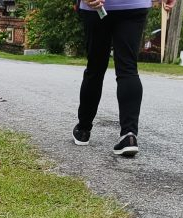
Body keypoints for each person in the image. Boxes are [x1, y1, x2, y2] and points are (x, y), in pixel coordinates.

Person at [72, 0, 177, 157]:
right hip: (134, 5)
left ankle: (83, 130)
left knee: (95, 68)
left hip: (97, 5)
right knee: (128, 68)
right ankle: (129, 135)